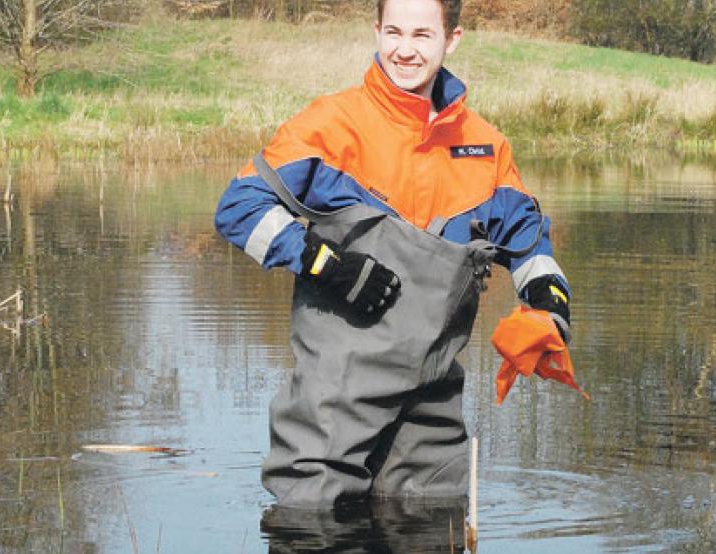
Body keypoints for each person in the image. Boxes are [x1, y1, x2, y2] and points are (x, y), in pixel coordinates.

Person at [215, 0, 571, 507]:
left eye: (423, 35)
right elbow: (239, 208)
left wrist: (550, 300)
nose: (405, 50)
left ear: (453, 39)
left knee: (434, 523)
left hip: (433, 404)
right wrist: (325, 263)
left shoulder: (485, 148)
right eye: (394, 32)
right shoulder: (331, 125)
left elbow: (528, 241)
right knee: (311, 524)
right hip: (333, 402)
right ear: (377, 30)